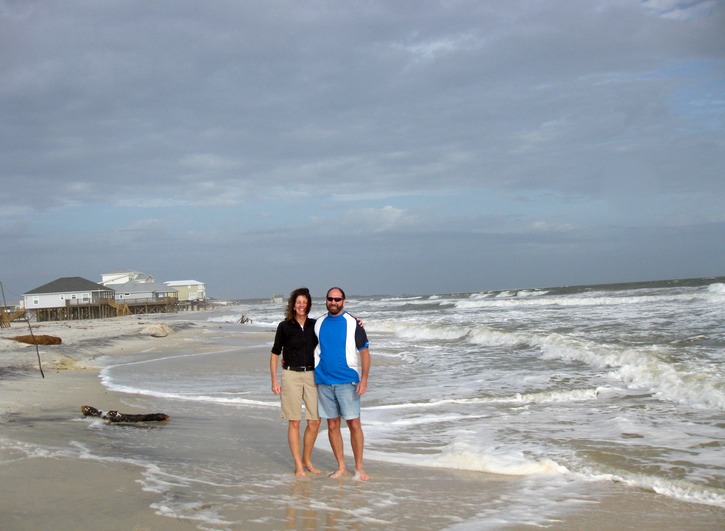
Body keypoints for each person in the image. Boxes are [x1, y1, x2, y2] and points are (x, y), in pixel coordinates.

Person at [314, 287, 371, 481]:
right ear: (326, 300)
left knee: (354, 424)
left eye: (337, 299)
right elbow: (304, 340)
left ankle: (359, 467)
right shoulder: (319, 323)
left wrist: (364, 379)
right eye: (330, 299)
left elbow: (364, 352)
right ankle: (341, 467)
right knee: (332, 425)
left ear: (344, 301)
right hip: (323, 381)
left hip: (348, 381)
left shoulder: (354, 323)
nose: (333, 302)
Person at [270, 287, 321, 477]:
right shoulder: (284, 326)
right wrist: (274, 379)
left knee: (315, 421)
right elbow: (275, 353)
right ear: (293, 305)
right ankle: (298, 465)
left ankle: (307, 459)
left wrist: (358, 323)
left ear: (308, 305)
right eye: (298, 302)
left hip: (312, 375)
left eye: (304, 303)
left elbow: (335, 327)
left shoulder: (315, 325)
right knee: (294, 422)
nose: (301, 305)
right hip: (290, 375)